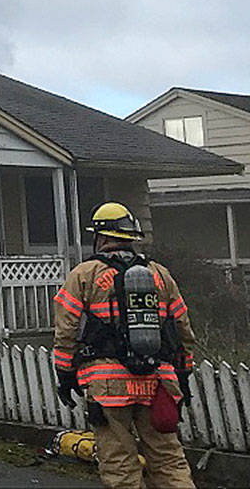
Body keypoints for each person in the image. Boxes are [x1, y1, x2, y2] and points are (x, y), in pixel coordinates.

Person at [52, 202, 196, 489]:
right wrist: (183, 375)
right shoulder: (160, 275)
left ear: (101, 237)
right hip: (158, 382)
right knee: (169, 461)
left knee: (119, 465)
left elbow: (65, 331)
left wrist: (65, 375)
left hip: (108, 386)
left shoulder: (84, 274)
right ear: (131, 238)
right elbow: (183, 331)